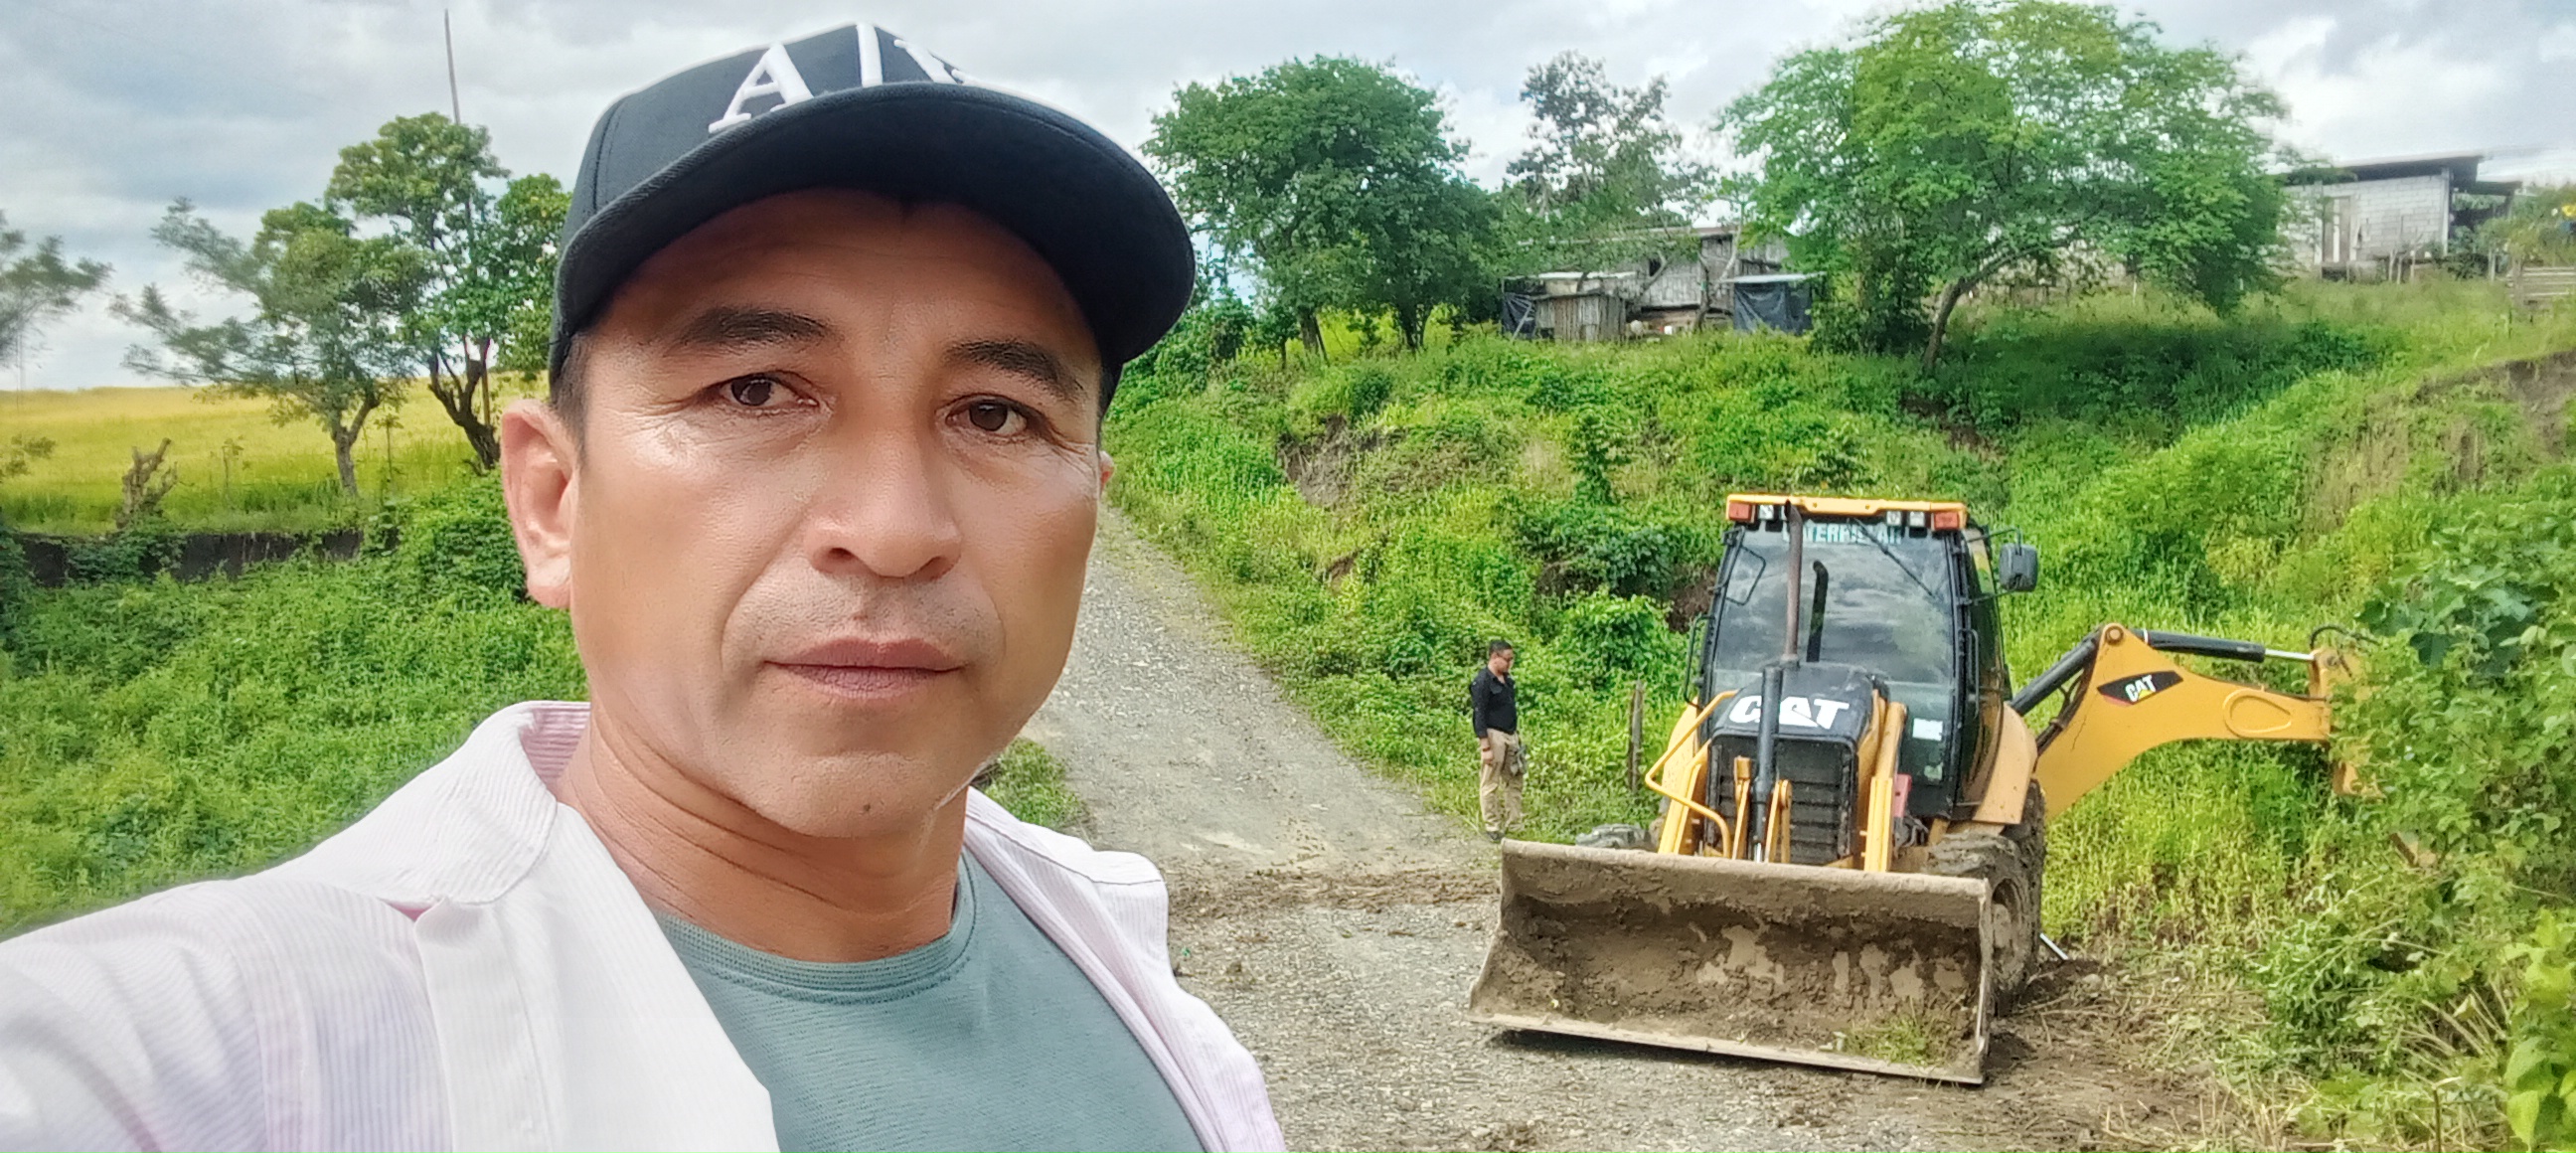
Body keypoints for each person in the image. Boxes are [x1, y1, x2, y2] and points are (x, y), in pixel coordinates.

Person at [0, 25, 1284, 1153]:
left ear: (1090, 499)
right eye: (755, 390)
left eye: (996, 413)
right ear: (553, 501)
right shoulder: (222, 1044)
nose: (895, 531)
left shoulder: (1104, 936)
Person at [1470, 639, 1524, 841]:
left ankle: (1514, 822)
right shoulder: (1483, 681)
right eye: (1507, 659)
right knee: (1490, 782)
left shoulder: (1507, 680)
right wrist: (1485, 746)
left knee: (1515, 780)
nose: (1510, 663)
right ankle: (1492, 825)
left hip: (1510, 734)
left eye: (1512, 659)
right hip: (1494, 735)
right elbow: (1479, 714)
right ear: (1494, 657)